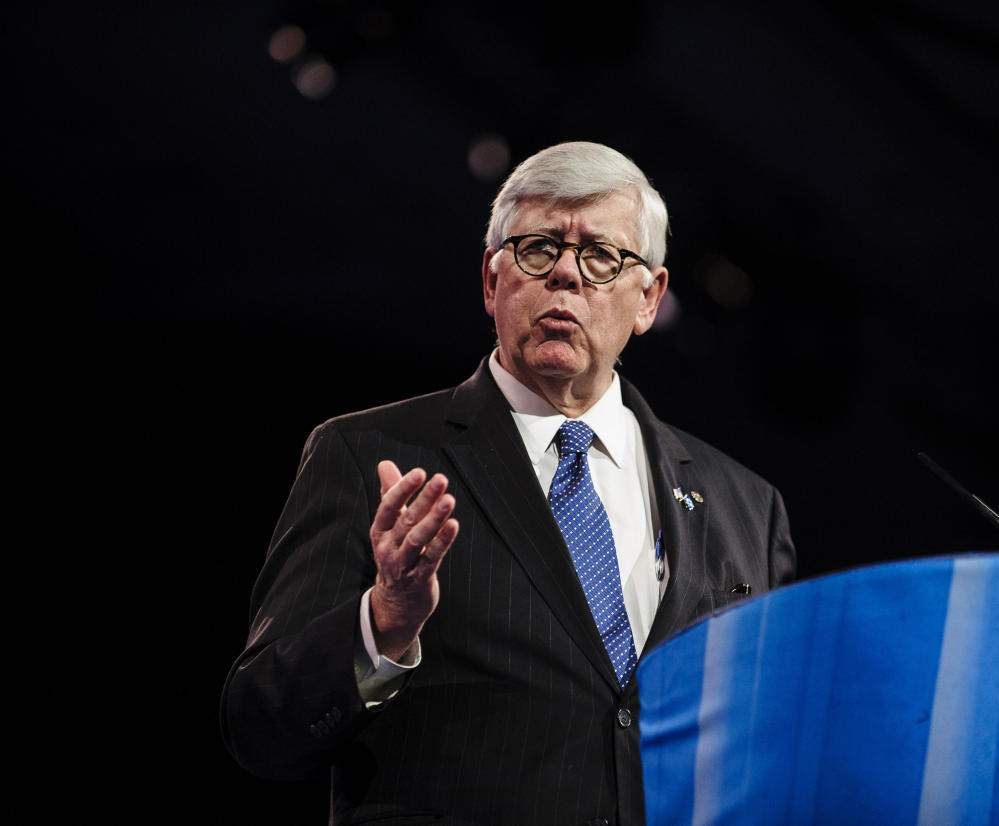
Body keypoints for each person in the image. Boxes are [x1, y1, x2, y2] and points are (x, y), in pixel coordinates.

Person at [222, 141, 797, 825]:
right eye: (537, 249)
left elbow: (774, 746)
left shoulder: (747, 508)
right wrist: (383, 624)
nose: (564, 275)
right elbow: (262, 726)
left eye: (601, 257)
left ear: (649, 298)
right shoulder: (368, 454)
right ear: (492, 283)